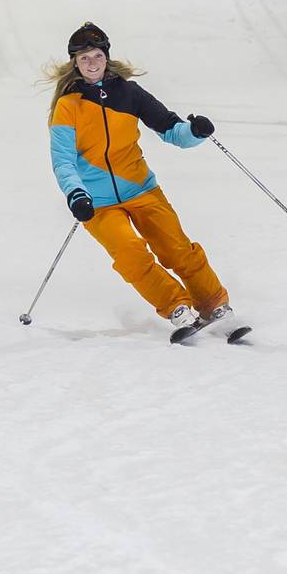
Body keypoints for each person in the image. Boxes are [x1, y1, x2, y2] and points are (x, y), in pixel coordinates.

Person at [47, 22, 237, 341]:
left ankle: (215, 305)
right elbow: (62, 160)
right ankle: (177, 308)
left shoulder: (129, 93)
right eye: (83, 58)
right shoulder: (68, 106)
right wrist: (76, 193)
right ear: (75, 64)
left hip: (142, 189)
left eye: (96, 55)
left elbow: (170, 128)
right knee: (131, 253)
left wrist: (195, 132)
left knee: (177, 248)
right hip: (98, 203)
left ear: (106, 56)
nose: (91, 63)